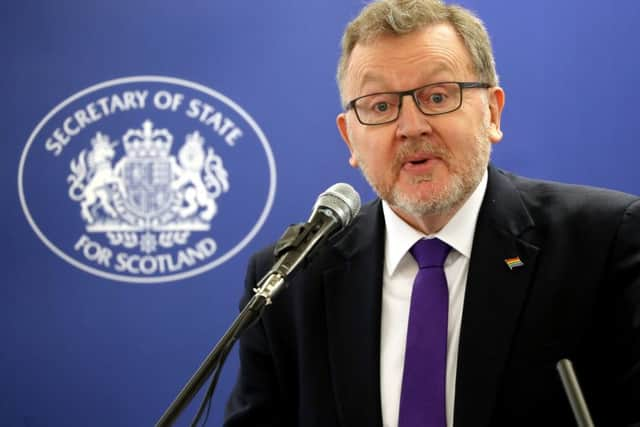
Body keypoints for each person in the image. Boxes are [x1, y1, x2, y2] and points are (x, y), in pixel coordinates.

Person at [224, 0, 640, 425]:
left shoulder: (603, 243)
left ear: (492, 113)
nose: (411, 127)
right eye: (381, 106)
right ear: (350, 138)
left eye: (437, 97)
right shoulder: (291, 281)